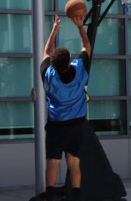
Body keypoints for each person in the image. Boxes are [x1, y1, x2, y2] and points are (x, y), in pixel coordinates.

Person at [41, 15, 91, 201]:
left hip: (56, 126)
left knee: (53, 162)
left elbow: (46, 51)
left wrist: (54, 29)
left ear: (54, 63)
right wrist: (80, 27)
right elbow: (86, 46)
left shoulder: (48, 73)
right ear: (69, 62)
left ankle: (49, 194)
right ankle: (76, 195)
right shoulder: (80, 69)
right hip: (77, 125)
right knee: (74, 163)